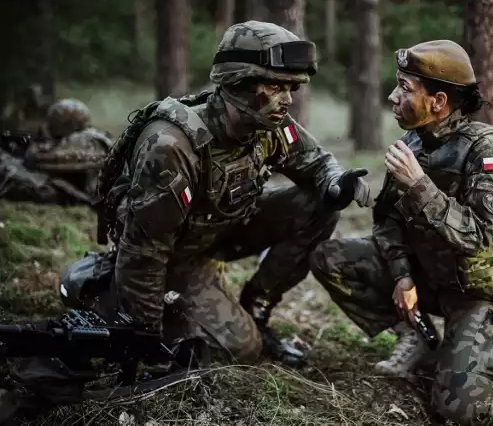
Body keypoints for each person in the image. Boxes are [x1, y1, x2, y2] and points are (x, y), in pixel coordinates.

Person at [73, 20, 373, 369]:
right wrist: (143, 338)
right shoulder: (173, 144)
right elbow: (145, 253)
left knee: (319, 204)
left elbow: (316, 160)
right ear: (237, 82)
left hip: (222, 230)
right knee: (241, 350)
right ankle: (108, 295)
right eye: (276, 85)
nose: (288, 99)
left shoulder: (267, 124)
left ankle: (256, 309)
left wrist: (337, 183)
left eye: (292, 87)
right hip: (174, 257)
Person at [309, 40, 493, 425]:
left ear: (437, 101)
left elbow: (481, 237)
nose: (392, 96)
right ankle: (415, 336)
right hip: (428, 277)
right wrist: (401, 275)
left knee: (458, 412)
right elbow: (387, 221)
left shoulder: (488, 154)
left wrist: (420, 186)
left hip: (480, 295)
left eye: (404, 87)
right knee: (330, 258)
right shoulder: (412, 143)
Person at [0, 98, 112, 205]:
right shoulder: (94, 137)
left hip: (84, 194)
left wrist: (32, 155)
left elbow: (56, 162)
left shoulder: (85, 139)